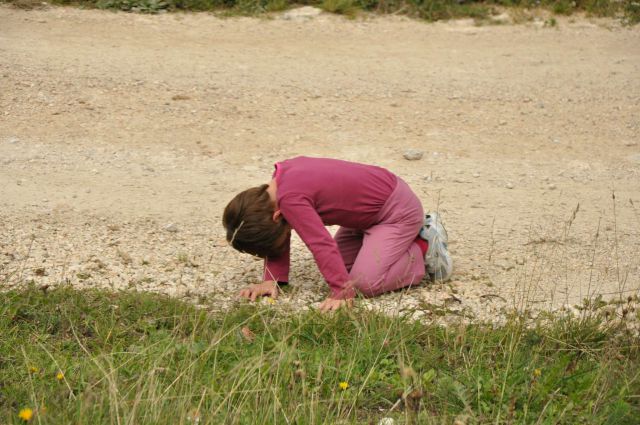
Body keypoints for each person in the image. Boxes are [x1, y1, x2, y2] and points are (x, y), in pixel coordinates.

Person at [222, 156, 452, 312]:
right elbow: (285, 229)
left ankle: (423, 245)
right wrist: (271, 279)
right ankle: (395, 244)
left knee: (363, 284)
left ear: (277, 217)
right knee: (340, 269)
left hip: (396, 212)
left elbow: (320, 244)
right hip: (365, 218)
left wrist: (342, 293)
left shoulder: (290, 199)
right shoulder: (277, 188)